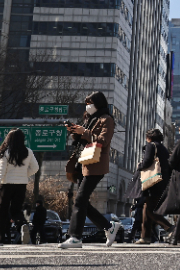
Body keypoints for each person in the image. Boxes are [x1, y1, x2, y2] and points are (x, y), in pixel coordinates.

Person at [60, 91, 121, 249]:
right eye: (86, 103)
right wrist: (75, 131)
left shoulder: (107, 120)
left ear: (98, 103)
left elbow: (103, 140)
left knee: (80, 201)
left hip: (96, 164)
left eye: (90, 103)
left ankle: (75, 237)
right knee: (82, 202)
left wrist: (84, 132)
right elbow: (83, 139)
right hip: (82, 162)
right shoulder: (89, 119)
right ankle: (108, 227)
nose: (88, 106)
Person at [0, 130, 39, 246]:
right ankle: (22, 225)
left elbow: (0, 174)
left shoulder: (6, 153)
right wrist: (23, 175)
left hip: (7, 185)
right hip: (21, 185)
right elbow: (35, 168)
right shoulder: (28, 152)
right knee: (16, 210)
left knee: (2, 212)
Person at [135, 128, 173, 244]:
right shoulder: (164, 149)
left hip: (153, 183)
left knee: (151, 210)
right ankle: (145, 237)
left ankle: (170, 228)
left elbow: (147, 162)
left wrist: (139, 166)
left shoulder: (151, 146)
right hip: (162, 183)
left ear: (149, 138)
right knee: (147, 209)